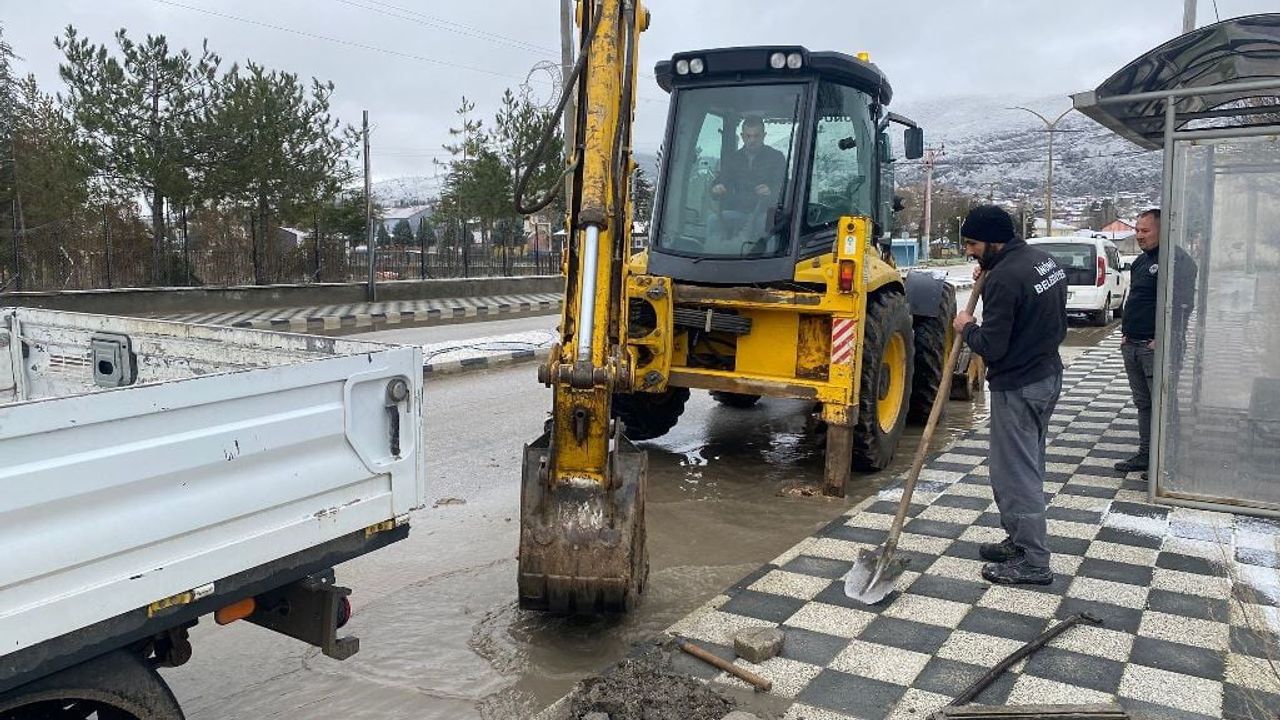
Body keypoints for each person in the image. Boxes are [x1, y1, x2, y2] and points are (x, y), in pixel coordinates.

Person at [953, 205, 1068, 586]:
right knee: (1028, 465)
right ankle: (1019, 541)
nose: (968, 250)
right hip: (1047, 375)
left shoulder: (1005, 278)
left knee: (1014, 475)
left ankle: (1034, 561)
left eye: (971, 243)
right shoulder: (1042, 261)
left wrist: (967, 326)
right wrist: (990, 271)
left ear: (993, 240)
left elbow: (993, 347)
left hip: (1018, 386)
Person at [1114, 209, 1197, 478]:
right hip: (1133, 345)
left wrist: (1163, 340)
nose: (1139, 236)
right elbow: (1136, 299)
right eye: (1137, 230)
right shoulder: (1141, 262)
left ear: (1163, 230)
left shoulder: (1178, 261)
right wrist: (1126, 334)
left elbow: (1184, 307)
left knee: (1164, 403)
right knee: (1144, 403)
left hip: (1157, 348)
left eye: (1145, 231)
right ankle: (1147, 454)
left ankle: (1167, 461)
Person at [707, 116, 787, 248]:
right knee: (713, 221)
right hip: (738, 211)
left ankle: (771, 263)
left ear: (764, 136)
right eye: (748, 136)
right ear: (742, 136)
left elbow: (785, 188)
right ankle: (710, 259)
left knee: (770, 226)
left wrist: (771, 192)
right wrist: (717, 188)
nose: (752, 140)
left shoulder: (776, 158)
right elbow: (721, 181)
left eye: (756, 136)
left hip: (765, 212)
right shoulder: (733, 159)